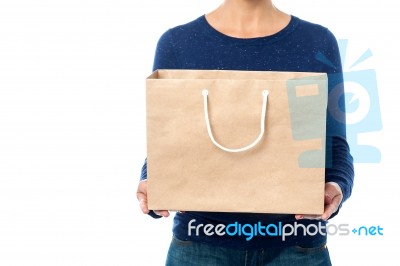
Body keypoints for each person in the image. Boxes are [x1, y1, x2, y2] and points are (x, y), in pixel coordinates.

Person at [137, 0, 354, 265]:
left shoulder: (317, 41)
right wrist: (154, 183)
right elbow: (168, 141)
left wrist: (336, 186)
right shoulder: (176, 43)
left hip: (296, 247)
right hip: (199, 245)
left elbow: (334, 145)